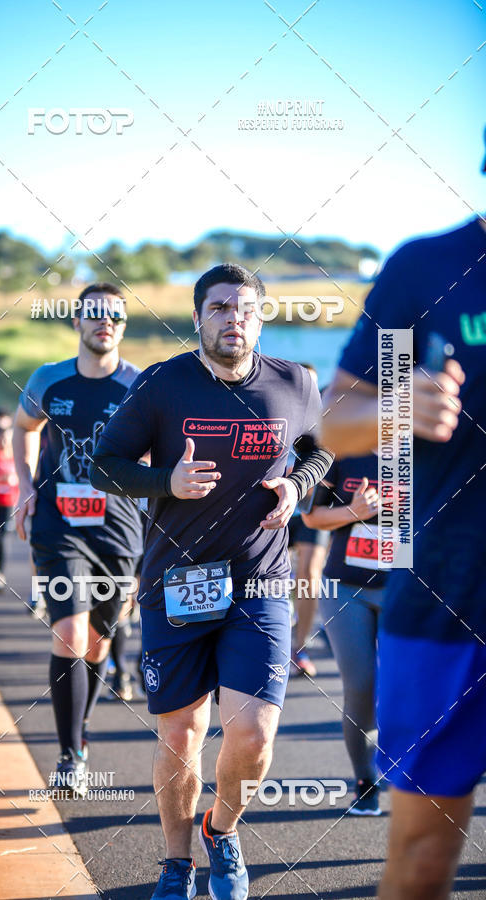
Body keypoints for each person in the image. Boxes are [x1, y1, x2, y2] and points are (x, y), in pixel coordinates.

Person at [90, 263, 333, 900]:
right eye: (221, 307)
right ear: (199, 316)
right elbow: (103, 464)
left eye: (247, 308)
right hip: (177, 582)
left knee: (253, 736)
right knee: (181, 735)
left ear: (261, 317)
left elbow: (321, 449)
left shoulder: (295, 383)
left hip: (261, 581)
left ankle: (221, 831)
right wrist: (163, 483)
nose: (235, 319)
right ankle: (176, 865)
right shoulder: (162, 385)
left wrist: (299, 484)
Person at [321, 162, 486, 898]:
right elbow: (330, 420)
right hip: (447, 594)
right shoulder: (427, 267)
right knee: (422, 854)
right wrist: (397, 409)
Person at [12, 282, 143, 791]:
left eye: (114, 315)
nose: (103, 322)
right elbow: (23, 428)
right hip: (59, 525)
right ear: (77, 322)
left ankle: (80, 731)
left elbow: (155, 461)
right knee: (69, 632)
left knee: (97, 642)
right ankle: (70, 757)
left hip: (119, 530)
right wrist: (25, 487)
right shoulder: (49, 380)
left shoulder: (140, 386)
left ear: (123, 326)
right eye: (94, 313)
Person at [302, 453, 385, 814]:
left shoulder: (431, 446)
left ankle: (420, 778)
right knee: (361, 686)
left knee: (413, 688)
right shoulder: (345, 449)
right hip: (345, 588)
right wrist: (354, 511)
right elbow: (311, 516)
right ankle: (365, 781)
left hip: (408, 588)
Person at [286, 364, 330, 678]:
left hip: (312, 504)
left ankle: (299, 646)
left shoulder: (329, 410)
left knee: (310, 571)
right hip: (275, 503)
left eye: (314, 386)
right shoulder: (278, 407)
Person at [0, 424, 19, 590]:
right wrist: (0, 478)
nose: (4, 441)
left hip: (7, 503)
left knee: (1, 536)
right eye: (1, 438)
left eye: (7, 438)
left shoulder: (15, 458)